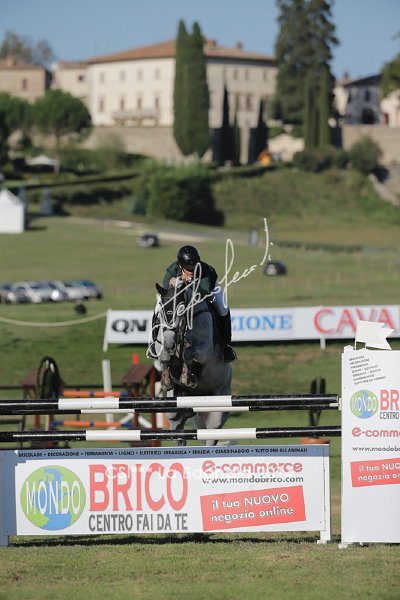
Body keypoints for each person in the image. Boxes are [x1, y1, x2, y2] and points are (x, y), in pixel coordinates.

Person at [147, 245, 237, 363]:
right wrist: (173, 283)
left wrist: (188, 281)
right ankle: (153, 342)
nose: (192, 270)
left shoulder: (206, 271)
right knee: (159, 303)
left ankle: (226, 346)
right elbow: (166, 291)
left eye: (194, 266)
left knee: (222, 307)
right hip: (183, 290)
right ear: (180, 266)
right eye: (188, 268)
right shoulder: (172, 269)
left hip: (208, 288)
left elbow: (203, 292)